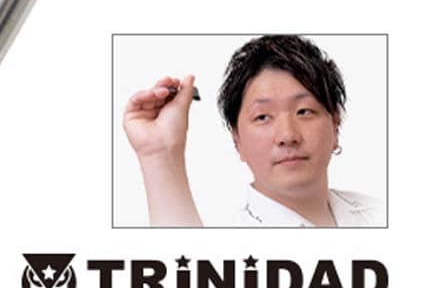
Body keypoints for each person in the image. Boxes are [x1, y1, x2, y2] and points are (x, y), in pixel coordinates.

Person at [122, 35, 384, 227]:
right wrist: (159, 153)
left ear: (335, 125)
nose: (287, 136)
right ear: (237, 140)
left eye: (304, 111)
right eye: (262, 117)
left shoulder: (379, 213)